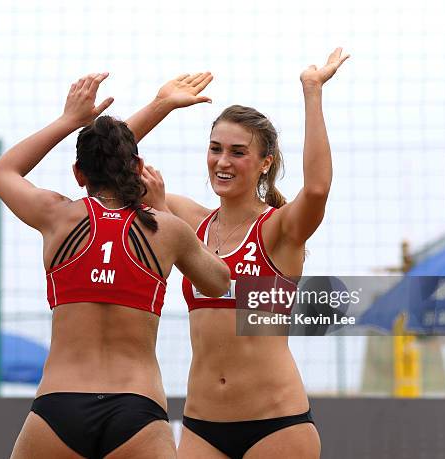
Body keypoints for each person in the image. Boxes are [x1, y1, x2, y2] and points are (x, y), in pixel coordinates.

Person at [0, 72, 230, 459]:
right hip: (136, 408)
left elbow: (0, 173)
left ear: (78, 173)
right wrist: (165, 210)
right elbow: (220, 282)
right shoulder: (166, 229)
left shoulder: (57, 216)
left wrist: (69, 120)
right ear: (137, 167)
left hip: (59, 405)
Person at [127, 48, 350, 458]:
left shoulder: (278, 229)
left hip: (276, 425)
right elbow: (108, 165)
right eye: (215, 149)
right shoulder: (190, 220)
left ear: (265, 163)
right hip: (201, 427)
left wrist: (312, 90)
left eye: (237, 152)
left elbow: (316, 189)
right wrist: (161, 106)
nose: (222, 161)